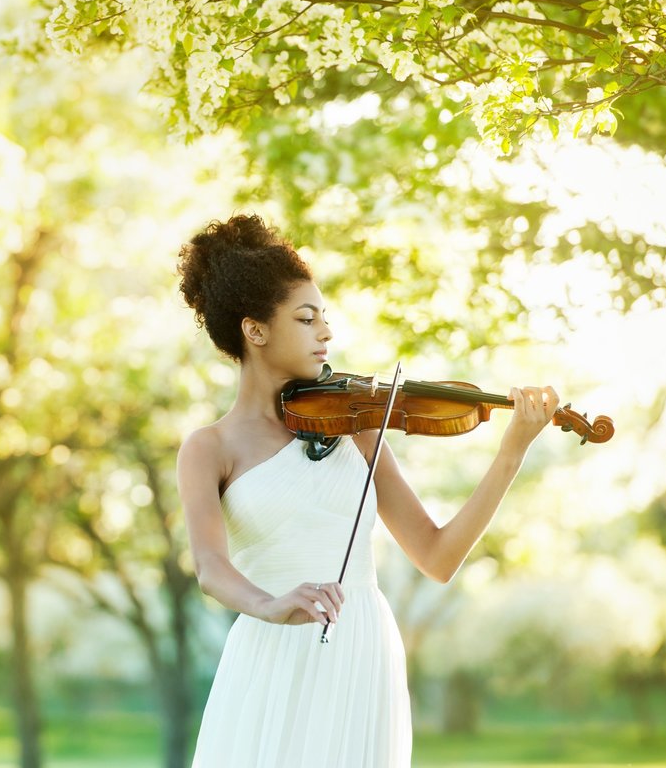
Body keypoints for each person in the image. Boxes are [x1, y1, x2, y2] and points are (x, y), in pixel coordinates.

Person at [175, 214, 559, 767]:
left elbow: (438, 556)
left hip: (360, 649)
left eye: (324, 318)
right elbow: (211, 568)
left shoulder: (355, 425)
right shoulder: (209, 448)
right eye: (306, 319)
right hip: (272, 650)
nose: (326, 333)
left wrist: (512, 451)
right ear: (254, 330)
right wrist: (273, 604)